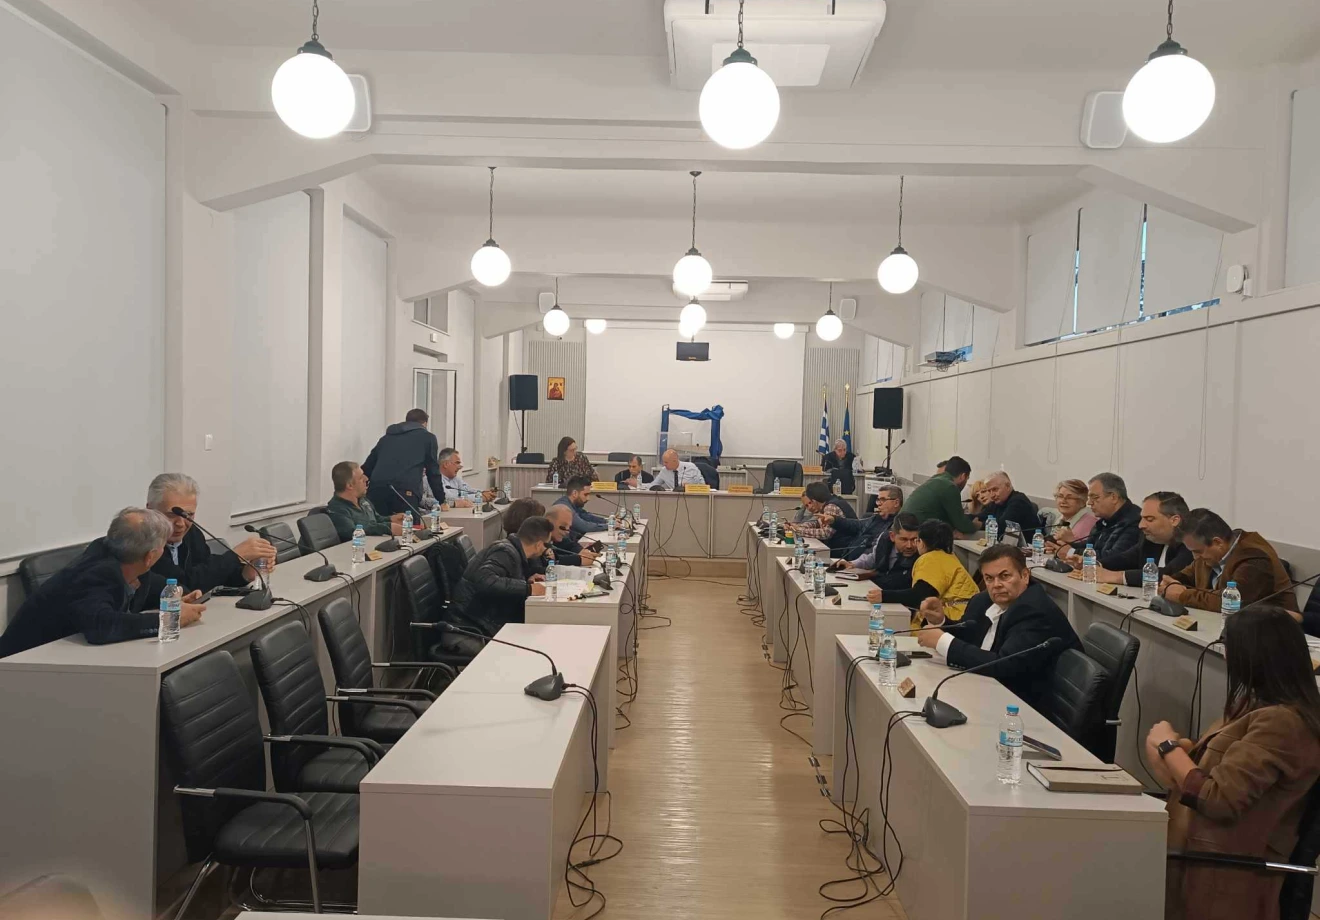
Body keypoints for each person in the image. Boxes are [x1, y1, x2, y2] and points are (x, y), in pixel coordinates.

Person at [1145, 607, 1320, 920]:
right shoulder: (1255, 706)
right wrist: (1181, 749)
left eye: (1230, 646)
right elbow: (1219, 766)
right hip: (1193, 856)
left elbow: (1218, 799)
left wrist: (1168, 747)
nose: (1226, 656)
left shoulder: (1283, 723)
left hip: (1219, 876)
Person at [0, 509, 205, 657]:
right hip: (20, 668)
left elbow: (151, 589)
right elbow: (101, 627)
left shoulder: (124, 557)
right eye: (162, 547)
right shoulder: (97, 574)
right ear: (150, 556)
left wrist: (174, 600)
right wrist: (169, 620)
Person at [915, 544, 1082, 710]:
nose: (996, 584)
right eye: (989, 578)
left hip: (1027, 707)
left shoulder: (1035, 611)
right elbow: (970, 636)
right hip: (988, 692)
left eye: (1004, 576)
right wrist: (941, 622)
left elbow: (1003, 666)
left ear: (1025, 576)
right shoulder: (982, 601)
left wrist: (942, 641)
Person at [145, 473, 275, 591]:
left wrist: (245, 573)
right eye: (171, 515)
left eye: (188, 514)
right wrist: (236, 555)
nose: (181, 524)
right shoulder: (144, 541)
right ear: (150, 510)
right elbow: (182, 585)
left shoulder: (192, 533)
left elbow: (210, 576)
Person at [443, 517, 551, 655]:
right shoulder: (505, 552)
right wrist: (528, 589)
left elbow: (502, 581)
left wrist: (527, 581)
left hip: (480, 623)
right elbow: (484, 580)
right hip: (468, 629)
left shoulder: (512, 550)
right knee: (529, 650)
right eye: (547, 544)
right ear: (539, 544)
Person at [1161, 508, 1297, 612]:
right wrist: (1170, 584)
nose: (1196, 557)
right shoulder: (1210, 554)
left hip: (1272, 630)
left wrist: (1183, 595)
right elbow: (1184, 577)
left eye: (1198, 551)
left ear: (1218, 543)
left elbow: (1232, 600)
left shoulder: (1254, 556)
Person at [873, 520, 978, 627]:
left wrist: (884, 596)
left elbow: (920, 596)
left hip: (953, 618)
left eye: (917, 540)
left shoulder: (932, 559)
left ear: (922, 542)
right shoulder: (947, 557)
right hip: (962, 615)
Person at [1096, 491, 1192, 587]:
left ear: (1174, 520)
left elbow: (1169, 574)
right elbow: (1126, 558)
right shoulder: (1151, 539)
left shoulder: (1191, 544)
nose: (1141, 525)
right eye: (1142, 518)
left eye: (1149, 519)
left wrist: (1116, 577)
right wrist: (1096, 565)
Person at [1048, 472, 1142, 570]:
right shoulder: (1105, 519)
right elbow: (1089, 545)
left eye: (1095, 497)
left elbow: (1115, 558)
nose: (1089, 502)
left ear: (1113, 497)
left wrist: (1072, 552)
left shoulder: (1134, 521)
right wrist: (1060, 546)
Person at [362, 408, 446, 515]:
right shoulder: (427, 438)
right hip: (405, 492)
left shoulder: (386, 438)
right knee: (410, 524)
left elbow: (368, 466)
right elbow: (433, 471)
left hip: (377, 490)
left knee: (380, 523)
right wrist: (441, 500)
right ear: (424, 423)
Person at [834, 513, 921, 595]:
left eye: (914, 539)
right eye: (904, 540)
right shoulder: (884, 539)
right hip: (878, 591)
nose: (909, 546)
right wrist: (852, 564)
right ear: (892, 536)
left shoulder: (922, 554)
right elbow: (873, 558)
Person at [899, 455, 978, 536]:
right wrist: (976, 525)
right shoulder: (950, 486)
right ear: (963, 476)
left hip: (901, 528)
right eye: (967, 479)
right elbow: (961, 524)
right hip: (913, 533)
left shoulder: (935, 480)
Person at [325, 461, 403, 541]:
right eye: (361, 477)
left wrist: (391, 519)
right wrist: (387, 528)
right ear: (350, 485)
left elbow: (376, 519)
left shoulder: (363, 501)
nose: (366, 479)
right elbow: (352, 532)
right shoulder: (337, 509)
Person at [830, 485, 903, 562]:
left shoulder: (897, 526)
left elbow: (875, 552)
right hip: (848, 559)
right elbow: (857, 525)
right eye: (878, 500)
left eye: (883, 500)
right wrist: (834, 520)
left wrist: (854, 564)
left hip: (863, 565)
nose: (878, 504)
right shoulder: (876, 518)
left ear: (896, 503)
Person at [971, 471, 1040, 539]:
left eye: (995, 489)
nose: (992, 495)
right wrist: (966, 520)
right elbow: (980, 516)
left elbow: (1003, 526)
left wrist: (980, 525)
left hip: (1029, 544)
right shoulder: (997, 502)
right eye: (989, 491)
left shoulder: (1019, 500)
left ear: (1008, 486)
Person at [1044, 479, 1097, 544]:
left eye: (1069, 498)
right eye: (1060, 496)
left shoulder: (1090, 523)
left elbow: (1083, 548)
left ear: (1082, 501)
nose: (1063, 501)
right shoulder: (1060, 518)